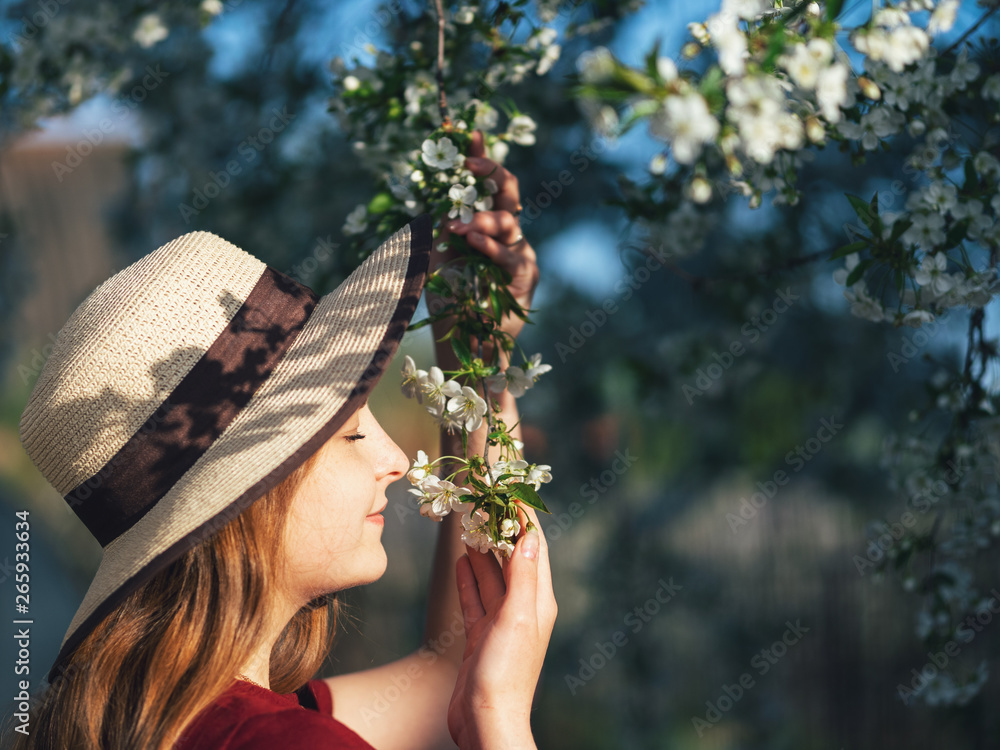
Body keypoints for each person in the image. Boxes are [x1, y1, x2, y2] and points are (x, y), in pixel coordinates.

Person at [9, 130, 556, 749]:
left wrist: (480, 363)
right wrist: (507, 724)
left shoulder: (155, 714)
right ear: (245, 492)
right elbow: (471, 699)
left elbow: (448, 682)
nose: (397, 460)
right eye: (349, 433)